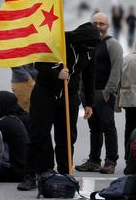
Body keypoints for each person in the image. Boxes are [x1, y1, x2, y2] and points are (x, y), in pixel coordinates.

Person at [18, 22, 100, 191]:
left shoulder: (91, 49)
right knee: (38, 134)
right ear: (80, 39)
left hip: (70, 95)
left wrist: (89, 103)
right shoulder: (57, 40)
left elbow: (89, 76)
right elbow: (38, 64)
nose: (89, 49)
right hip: (45, 92)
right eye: (87, 45)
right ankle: (30, 175)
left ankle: (64, 172)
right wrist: (57, 74)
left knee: (66, 136)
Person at [76, 13, 122, 174]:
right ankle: (94, 160)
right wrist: (81, 90)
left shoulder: (112, 44)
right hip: (87, 94)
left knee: (108, 127)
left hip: (104, 93)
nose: (98, 26)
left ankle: (110, 161)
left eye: (101, 24)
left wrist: (108, 92)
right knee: (94, 128)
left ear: (107, 26)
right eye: (95, 23)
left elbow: (117, 70)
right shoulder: (87, 45)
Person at [0, 91, 29, 182]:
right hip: (23, 172)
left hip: (12, 173)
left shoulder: (3, 123)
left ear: (5, 104)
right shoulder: (14, 119)